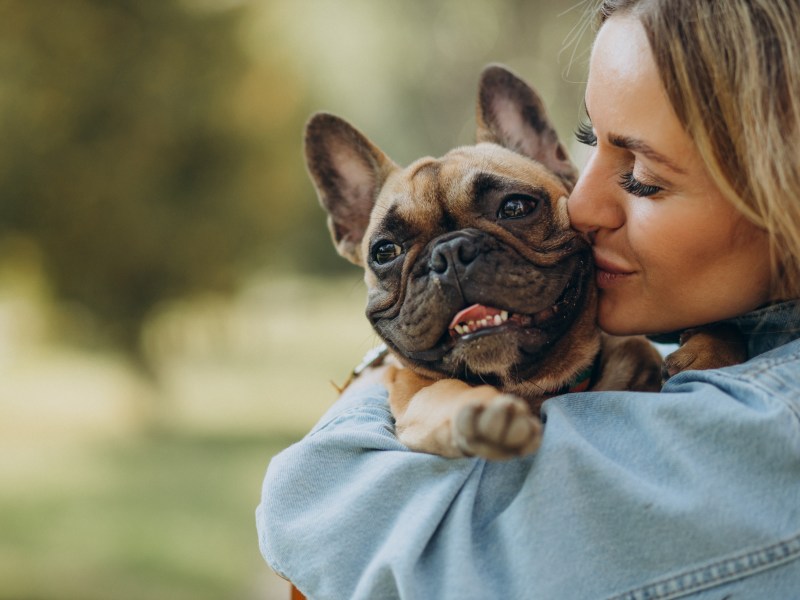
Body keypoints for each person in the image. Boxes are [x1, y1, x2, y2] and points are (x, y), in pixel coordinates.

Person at [257, 0, 800, 598]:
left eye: (644, 172)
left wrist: (374, 386)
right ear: (350, 229)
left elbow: (316, 517)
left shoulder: (766, 426)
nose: (584, 206)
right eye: (591, 142)